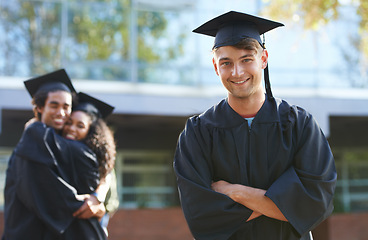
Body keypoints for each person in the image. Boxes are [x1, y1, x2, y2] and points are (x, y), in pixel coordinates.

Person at [173, 11, 337, 240]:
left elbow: (316, 203)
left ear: (264, 58)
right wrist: (287, 205)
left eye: (246, 59)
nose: (237, 72)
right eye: (226, 63)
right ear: (215, 65)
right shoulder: (198, 134)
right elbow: (201, 216)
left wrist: (234, 192)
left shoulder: (299, 125)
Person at [2, 69, 106, 239]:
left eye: (66, 107)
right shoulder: (33, 139)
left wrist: (98, 198)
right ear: (40, 107)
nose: (61, 113)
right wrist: (84, 205)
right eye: (54, 105)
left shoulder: (61, 143)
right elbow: (44, 191)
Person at [62, 92, 120, 236]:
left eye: (80, 125)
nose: (72, 129)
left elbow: (106, 178)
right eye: (68, 123)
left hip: (95, 213)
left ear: (91, 131)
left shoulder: (96, 157)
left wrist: (96, 198)